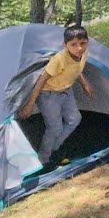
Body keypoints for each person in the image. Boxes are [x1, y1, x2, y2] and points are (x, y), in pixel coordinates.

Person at [18, 24, 94, 164]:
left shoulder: (83, 53)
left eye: (83, 43)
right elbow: (42, 80)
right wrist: (30, 104)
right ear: (65, 45)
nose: (79, 48)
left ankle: (54, 149)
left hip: (66, 91)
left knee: (74, 119)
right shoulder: (59, 59)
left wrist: (84, 84)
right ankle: (43, 160)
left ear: (87, 42)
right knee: (55, 128)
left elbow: (77, 68)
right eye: (73, 44)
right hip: (48, 94)